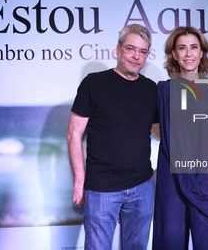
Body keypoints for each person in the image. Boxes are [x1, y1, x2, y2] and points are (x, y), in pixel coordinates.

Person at [67, 24, 157, 250]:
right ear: (118, 49)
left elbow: (158, 133)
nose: (136, 57)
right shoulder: (93, 83)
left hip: (142, 186)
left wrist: (204, 128)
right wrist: (80, 180)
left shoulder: (151, 89)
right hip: (102, 188)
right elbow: (74, 133)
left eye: (143, 51)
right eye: (131, 49)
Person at [152, 26, 208, 250]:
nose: (188, 54)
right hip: (171, 177)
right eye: (182, 48)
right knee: (170, 240)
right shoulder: (163, 91)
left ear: (202, 52)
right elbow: (156, 131)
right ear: (173, 54)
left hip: (205, 176)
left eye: (194, 47)